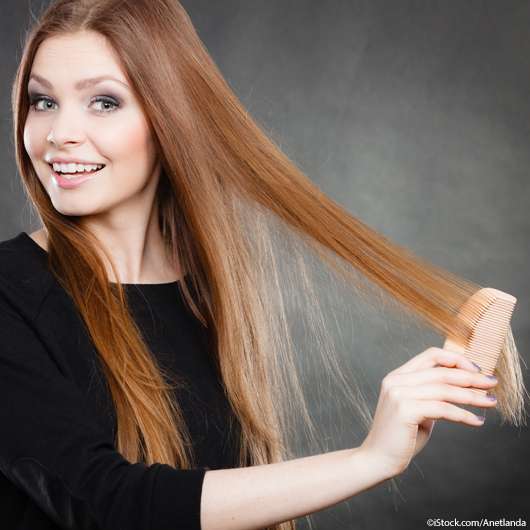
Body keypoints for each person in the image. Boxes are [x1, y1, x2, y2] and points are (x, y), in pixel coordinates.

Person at [1, 1, 519, 529]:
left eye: (103, 103)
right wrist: (370, 460)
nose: (58, 133)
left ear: (169, 114)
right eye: (43, 101)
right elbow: (106, 505)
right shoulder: (8, 294)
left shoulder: (201, 295)